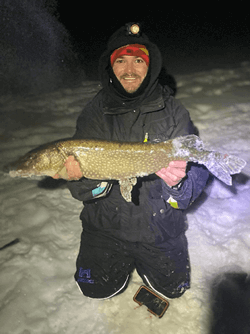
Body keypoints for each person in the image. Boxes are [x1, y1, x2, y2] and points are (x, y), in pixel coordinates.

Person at [62, 23, 209, 300]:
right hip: (105, 227)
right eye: (121, 60)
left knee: (173, 291)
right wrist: (84, 179)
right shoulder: (93, 113)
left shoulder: (174, 111)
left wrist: (179, 184)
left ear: (150, 66)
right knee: (94, 290)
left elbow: (191, 188)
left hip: (159, 226)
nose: (130, 70)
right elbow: (80, 192)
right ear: (110, 66)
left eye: (138, 60)